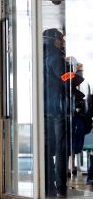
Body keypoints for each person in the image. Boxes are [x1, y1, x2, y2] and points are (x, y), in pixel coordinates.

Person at [43, 28, 68, 197]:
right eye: (61, 39)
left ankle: (49, 182)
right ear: (54, 40)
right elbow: (64, 78)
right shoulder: (56, 57)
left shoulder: (42, 56)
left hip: (45, 108)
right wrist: (74, 74)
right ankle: (61, 184)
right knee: (61, 148)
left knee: (48, 147)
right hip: (57, 109)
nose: (63, 42)